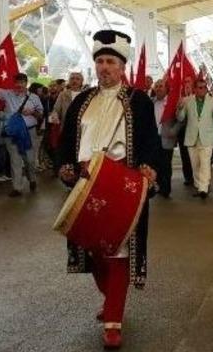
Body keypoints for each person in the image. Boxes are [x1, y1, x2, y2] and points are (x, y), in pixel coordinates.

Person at [57, 29, 159, 349]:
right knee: (93, 249)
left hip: (121, 184)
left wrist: (149, 167)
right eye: (100, 61)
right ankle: (112, 299)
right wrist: (65, 167)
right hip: (85, 185)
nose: (104, 67)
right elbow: (65, 141)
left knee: (118, 252)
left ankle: (113, 318)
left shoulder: (138, 100)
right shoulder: (81, 101)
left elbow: (150, 141)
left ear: (121, 66)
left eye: (110, 61)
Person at [0, 72, 44, 197]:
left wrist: (32, 112)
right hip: (12, 132)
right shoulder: (7, 94)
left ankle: (32, 179)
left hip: (29, 131)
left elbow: (41, 114)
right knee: (15, 159)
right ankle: (17, 187)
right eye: (17, 82)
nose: (19, 85)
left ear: (26, 83)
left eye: (22, 82)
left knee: (30, 160)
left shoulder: (34, 97)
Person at [177, 79, 213, 199]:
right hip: (192, 137)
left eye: (204, 87)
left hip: (207, 138)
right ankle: (198, 185)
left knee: (205, 163)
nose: (202, 90)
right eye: (199, 87)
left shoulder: (212, 101)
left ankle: (203, 189)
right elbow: (181, 119)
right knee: (195, 164)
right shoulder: (187, 101)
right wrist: (179, 108)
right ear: (195, 89)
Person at [152, 79, 180, 198]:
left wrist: (173, 131)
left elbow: (181, 119)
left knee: (166, 165)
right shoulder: (151, 102)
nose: (158, 88)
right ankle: (158, 186)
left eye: (161, 86)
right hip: (153, 138)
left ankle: (166, 189)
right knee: (155, 164)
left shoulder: (172, 103)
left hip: (166, 137)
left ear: (166, 88)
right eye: (156, 86)